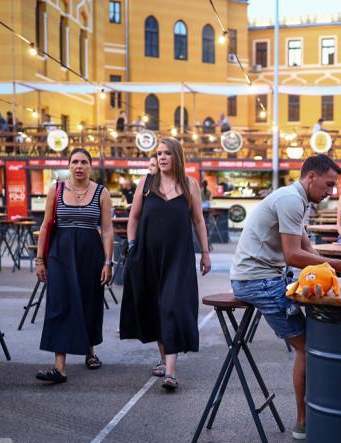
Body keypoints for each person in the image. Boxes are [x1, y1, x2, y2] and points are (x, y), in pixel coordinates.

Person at [230, 154, 341, 440]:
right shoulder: (292, 200)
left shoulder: (297, 199)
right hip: (258, 281)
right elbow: (293, 256)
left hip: (264, 276)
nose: (330, 193)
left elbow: (309, 251)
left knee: (315, 325)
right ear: (311, 177)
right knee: (308, 347)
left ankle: (316, 410)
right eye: (328, 185)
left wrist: (336, 273)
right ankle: (303, 422)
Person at [120, 138, 211, 391]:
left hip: (178, 257)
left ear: (177, 157)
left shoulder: (189, 184)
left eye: (167, 153)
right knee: (154, 306)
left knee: (172, 305)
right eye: (158, 153)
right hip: (147, 254)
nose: (161, 158)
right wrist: (132, 244)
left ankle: (170, 372)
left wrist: (205, 252)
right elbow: (134, 217)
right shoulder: (146, 183)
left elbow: (199, 221)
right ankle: (163, 358)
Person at [34, 148, 114, 384]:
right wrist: (40, 259)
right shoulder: (56, 189)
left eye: (84, 162)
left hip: (90, 253)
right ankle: (60, 368)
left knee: (89, 301)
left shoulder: (102, 192)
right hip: (60, 253)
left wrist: (108, 262)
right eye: (75, 162)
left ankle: (89, 351)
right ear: (68, 165)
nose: (79, 166)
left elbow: (107, 230)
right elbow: (46, 225)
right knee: (60, 303)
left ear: (90, 166)